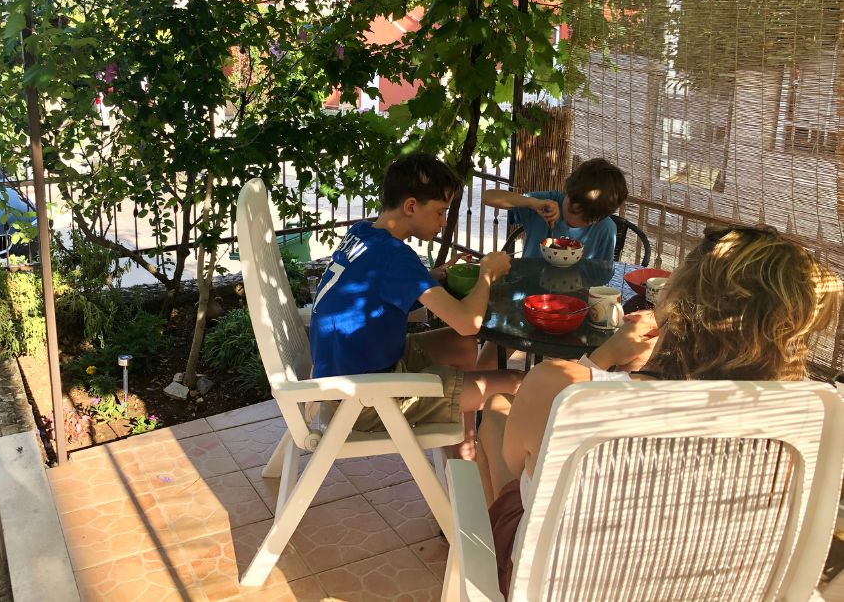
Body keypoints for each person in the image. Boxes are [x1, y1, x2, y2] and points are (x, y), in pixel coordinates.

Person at [475, 224, 842, 595]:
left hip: (567, 583)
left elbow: (517, 462)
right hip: (709, 586)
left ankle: (488, 565)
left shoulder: (559, 386)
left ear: (674, 302)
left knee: (495, 415)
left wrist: (602, 362)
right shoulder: (808, 416)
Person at [309, 152, 523, 455]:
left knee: (464, 347)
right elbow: (467, 323)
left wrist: (433, 276)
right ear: (411, 206)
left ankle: (462, 451)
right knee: (516, 381)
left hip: (348, 373)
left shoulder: (363, 233)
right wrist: (487, 273)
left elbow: (380, 287)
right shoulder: (397, 257)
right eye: (440, 212)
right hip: (366, 399)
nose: (443, 222)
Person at [482, 158, 628, 260]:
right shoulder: (543, 204)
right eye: (572, 209)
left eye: (586, 219)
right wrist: (531, 203)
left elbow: (601, 276)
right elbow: (487, 197)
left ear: (597, 219)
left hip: (575, 299)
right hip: (527, 292)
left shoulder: (606, 229)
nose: (573, 221)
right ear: (569, 192)